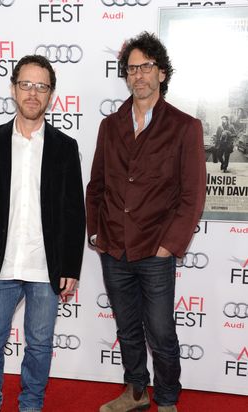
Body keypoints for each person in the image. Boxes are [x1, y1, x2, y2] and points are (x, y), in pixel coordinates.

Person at [86, 32, 206, 412]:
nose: (138, 75)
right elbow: (97, 185)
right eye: (132, 68)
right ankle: (136, 391)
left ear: (162, 73)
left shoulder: (185, 127)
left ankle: (167, 399)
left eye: (146, 67)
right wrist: (95, 232)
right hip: (113, 248)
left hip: (156, 250)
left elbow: (192, 196)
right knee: (127, 329)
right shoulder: (110, 125)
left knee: (161, 332)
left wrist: (168, 246)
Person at [0, 55, 86, 412]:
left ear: (52, 95)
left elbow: (73, 213)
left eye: (42, 86)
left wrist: (71, 267)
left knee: (40, 344)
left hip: (44, 269)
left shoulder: (65, 147)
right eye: (26, 85)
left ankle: (31, 404)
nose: (33, 93)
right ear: (14, 89)